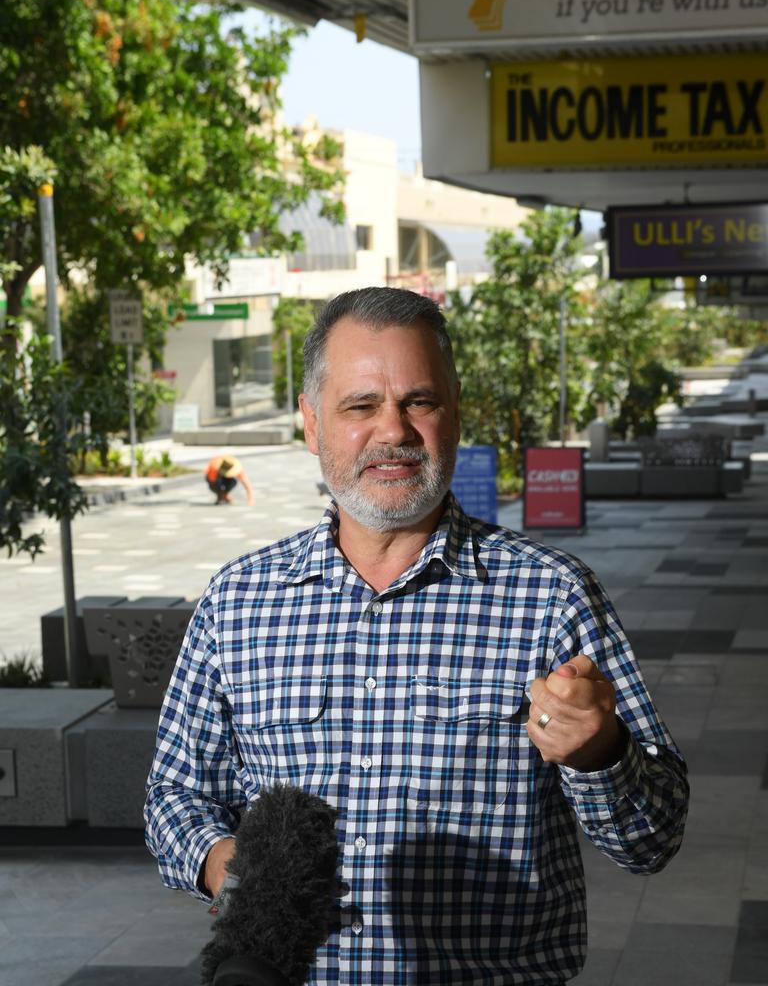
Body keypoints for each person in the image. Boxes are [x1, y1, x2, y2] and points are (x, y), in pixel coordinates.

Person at [145, 287, 689, 986]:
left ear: (455, 409)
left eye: (419, 402)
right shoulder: (238, 601)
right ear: (312, 423)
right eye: (361, 405)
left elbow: (653, 840)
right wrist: (235, 873)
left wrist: (600, 754)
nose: (393, 431)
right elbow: (175, 796)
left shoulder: (552, 596)